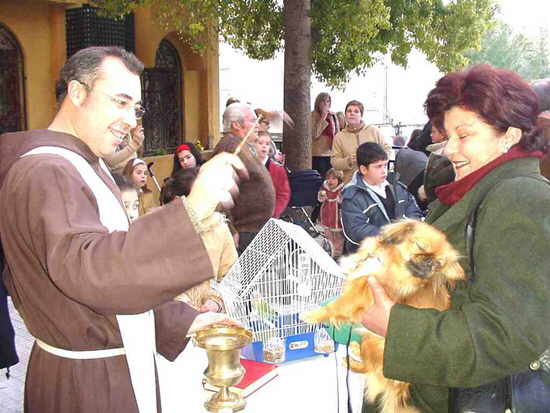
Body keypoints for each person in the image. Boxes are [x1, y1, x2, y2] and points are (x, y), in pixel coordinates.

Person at [0, 46, 246, 413]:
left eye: (136, 108)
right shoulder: (46, 172)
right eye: (120, 102)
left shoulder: (84, 165)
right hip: (87, 387)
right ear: (77, 92)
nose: (131, 120)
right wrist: (192, 209)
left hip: (111, 366)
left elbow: (111, 284)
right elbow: (94, 273)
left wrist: (186, 319)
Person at [361, 64, 550, 412]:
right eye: (448, 136)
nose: (450, 149)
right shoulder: (475, 191)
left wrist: (396, 326)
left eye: (464, 135)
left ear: (509, 135)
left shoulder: (521, 197)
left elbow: (507, 335)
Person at [212, 102, 276, 254]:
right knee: (244, 278)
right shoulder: (229, 147)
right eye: (253, 120)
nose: (257, 125)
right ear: (236, 124)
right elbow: (218, 191)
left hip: (254, 230)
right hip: (244, 233)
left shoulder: (242, 145)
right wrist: (230, 228)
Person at [341, 142, 422, 253]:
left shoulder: (397, 186)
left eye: (385, 165)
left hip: (400, 253)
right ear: (363, 169)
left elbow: (413, 211)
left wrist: (408, 230)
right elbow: (356, 230)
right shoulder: (352, 196)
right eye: (378, 166)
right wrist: (392, 235)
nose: (384, 170)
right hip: (368, 258)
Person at [331, 100, 390, 183]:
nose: (352, 113)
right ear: (345, 115)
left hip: (375, 182)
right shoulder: (339, 137)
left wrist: (377, 161)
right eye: (349, 111)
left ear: (361, 115)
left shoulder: (374, 131)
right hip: (351, 184)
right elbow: (334, 162)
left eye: (356, 111)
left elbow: (387, 150)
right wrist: (348, 161)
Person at [255, 131, 290, 218]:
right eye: (260, 143)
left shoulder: (278, 169)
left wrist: (274, 212)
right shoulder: (246, 166)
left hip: (269, 214)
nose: (264, 146)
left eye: (267, 144)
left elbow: (283, 194)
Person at [311, 92, 340, 179]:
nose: (325, 104)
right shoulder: (313, 115)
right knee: (320, 179)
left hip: (331, 152)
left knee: (331, 179)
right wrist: (323, 118)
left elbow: (337, 133)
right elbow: (314, 134)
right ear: (318, 102)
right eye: (322, 101)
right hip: (318, 154)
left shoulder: (333, 115)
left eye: (327, 101)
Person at [317, 168, 345, 258]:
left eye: (333, 178)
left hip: (337, 218)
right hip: (326, 215)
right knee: (328, 235)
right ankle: (329, 251)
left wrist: (340, 199)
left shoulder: (341, 190)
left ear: (339, 180)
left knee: (338, 237)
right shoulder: (324, 188)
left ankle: (337, 254)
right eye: (329, 178)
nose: (330, 181)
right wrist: (321, 195)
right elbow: (320, 199)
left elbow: (344, 201)